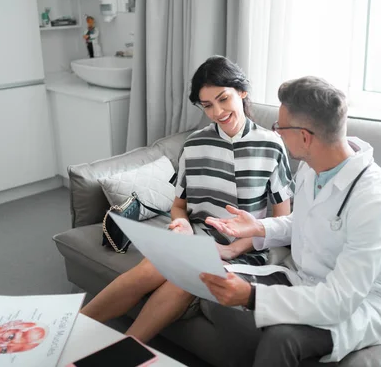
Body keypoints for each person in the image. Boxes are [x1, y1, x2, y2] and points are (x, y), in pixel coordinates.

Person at [80, 56, 294, 343]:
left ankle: (122, 351)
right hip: (197, 239)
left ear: (242, 92)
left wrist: (231, 250)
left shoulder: (271, 144)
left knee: (185, 281)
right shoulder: (194, 145)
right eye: (207, 105)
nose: (217, 112)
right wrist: (180, 225)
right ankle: (69, 329)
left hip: (247, 249)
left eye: (223, 99)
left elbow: (282, 220)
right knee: (150, 268)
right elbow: (179, 206)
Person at [200, 76, 381, 366]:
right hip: (306, 280)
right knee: (217, 286)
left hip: (362, 304)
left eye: (280, 127)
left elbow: (339, 300)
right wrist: (257, 226)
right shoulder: (312, 166)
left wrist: (253, 297)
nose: (278, 133)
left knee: (282, 338)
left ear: (305, 137)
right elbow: (303, 222)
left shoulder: (375, 199)